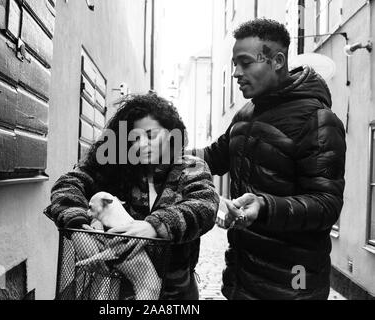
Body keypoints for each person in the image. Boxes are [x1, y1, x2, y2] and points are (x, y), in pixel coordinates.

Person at [193, 19, 346, 300]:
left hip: (293, 282)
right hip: (242, 274)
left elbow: (326, 205)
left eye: (246, 63)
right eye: (234, 64)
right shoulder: (245, 115)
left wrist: (264, 206)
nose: (236, 73)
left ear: (277, 61)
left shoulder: (317, 120)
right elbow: (213, 157)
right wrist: (165, 154)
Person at [44, 93, 219, 300]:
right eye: (135, 138)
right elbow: (67, 186)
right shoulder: (116, 166)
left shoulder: (191, 167)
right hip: (122, 289)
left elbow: (204, 205)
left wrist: (154, 227)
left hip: (177, 290)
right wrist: (77, 228)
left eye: (151, 135)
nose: (142, 144)